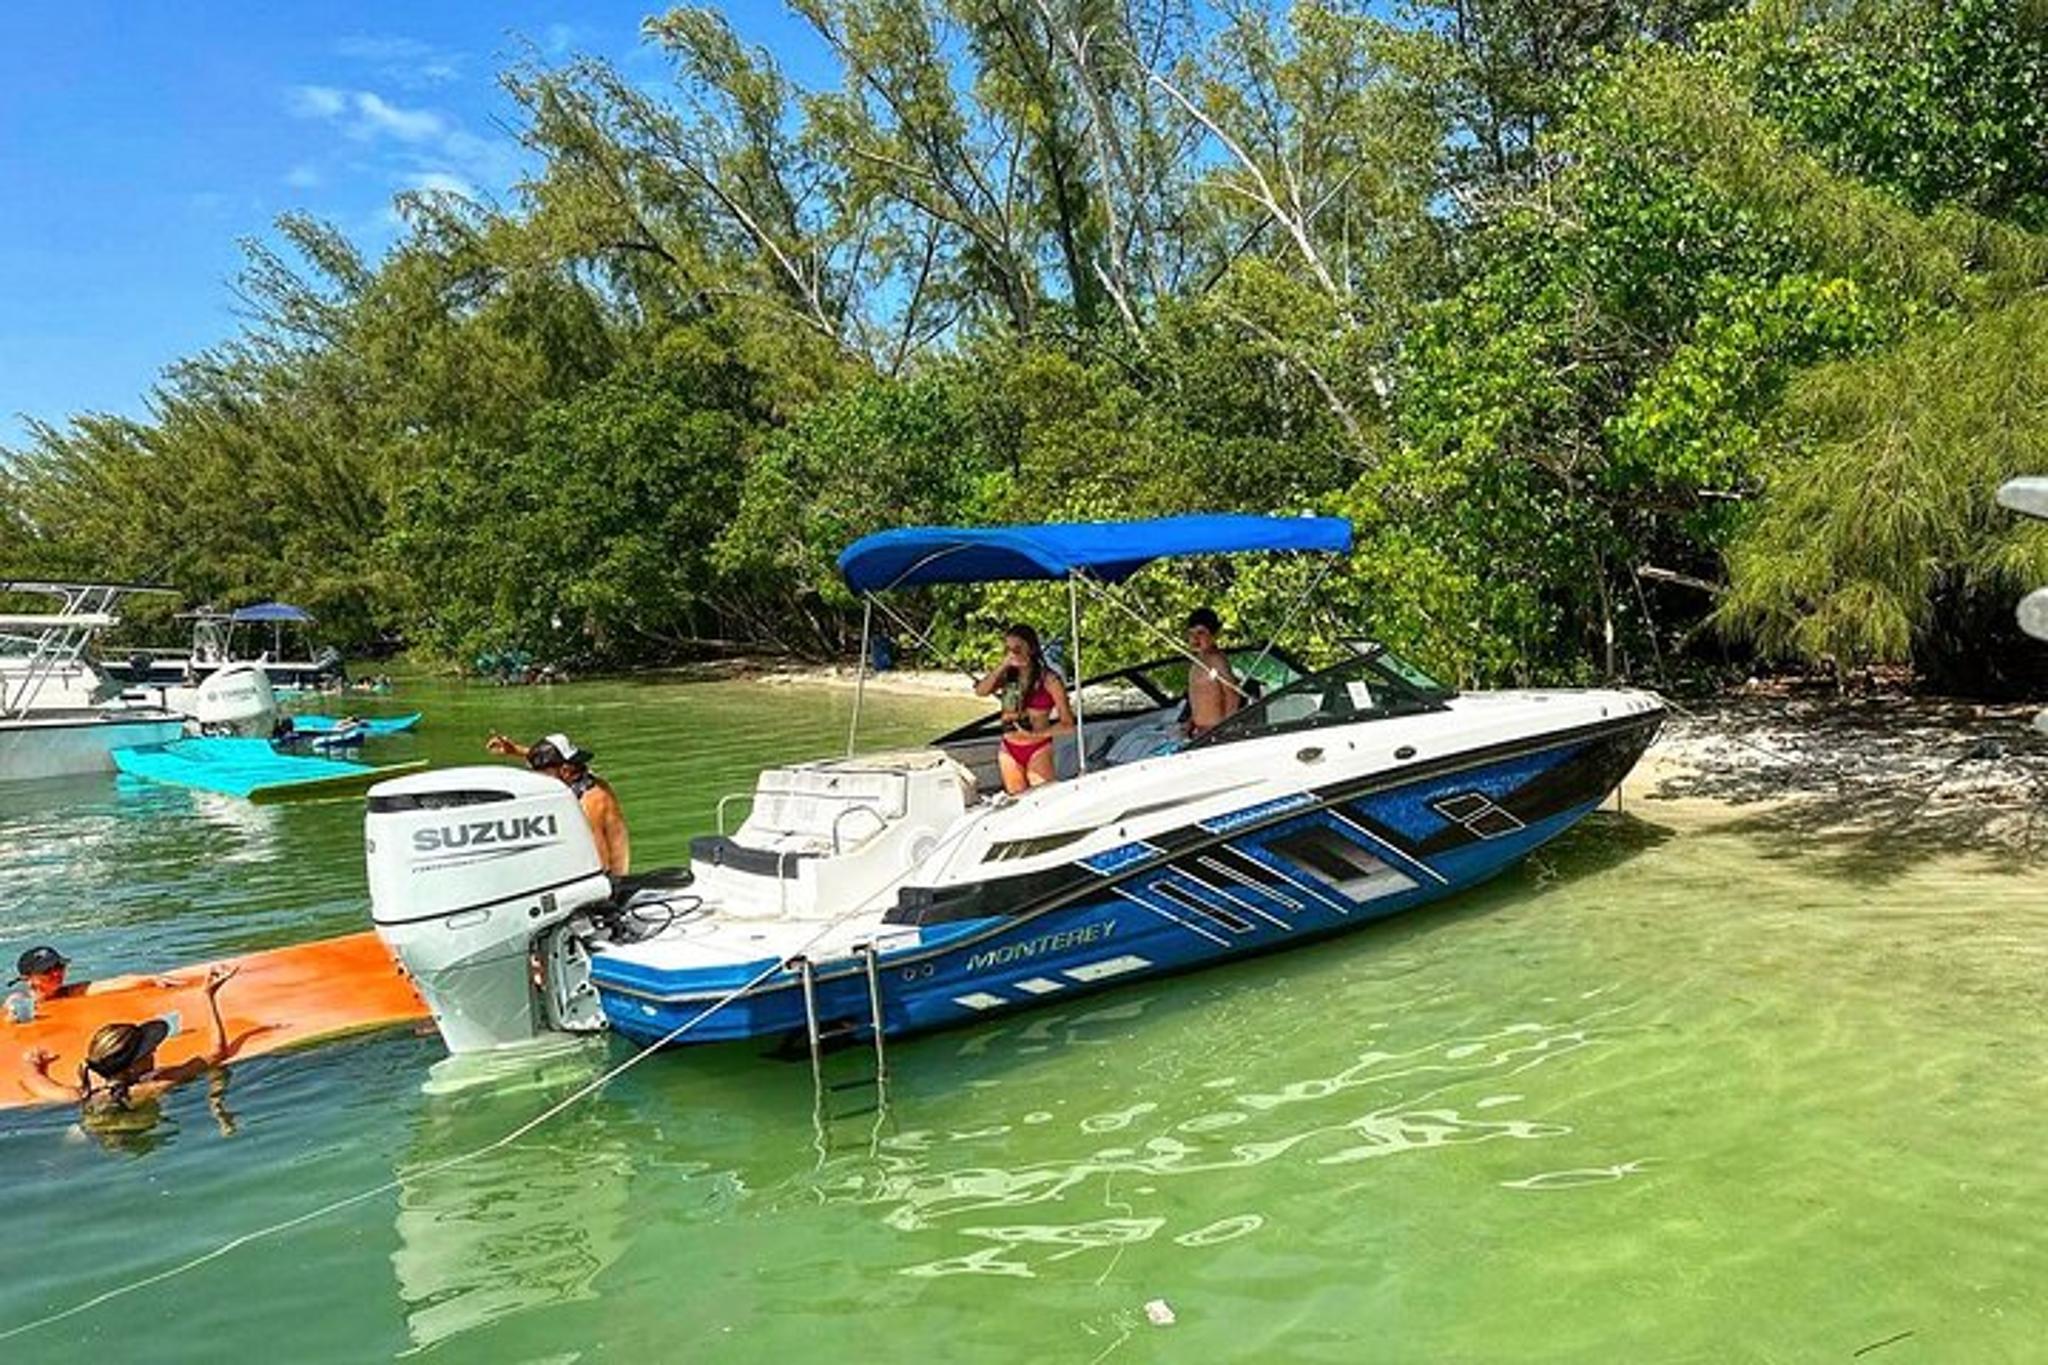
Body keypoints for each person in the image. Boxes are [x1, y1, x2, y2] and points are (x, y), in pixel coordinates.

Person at [19, 964, 242, 1114]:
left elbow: (34, 1082)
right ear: (135, 1065)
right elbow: (216, 1052)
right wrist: (208, 998)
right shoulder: (157, 1085)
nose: (154, 1051)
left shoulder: (81, 1095)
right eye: (149, 1049)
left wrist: (32, 1063)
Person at [484, 730, 632, 878]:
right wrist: (516, 750)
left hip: (611, 883)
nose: (537, 780)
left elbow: (601, 864)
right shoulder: (582, 776)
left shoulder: (589, 804)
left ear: (566, 771)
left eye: (541, 775)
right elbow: (551, 763)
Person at [974, 624, 1073, 795]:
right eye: (1009, 649)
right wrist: (1003, 664)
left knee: (1043, 799)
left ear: (1031, 648)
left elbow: (1068, 725)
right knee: (1017, 801)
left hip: (1037, 747)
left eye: (1018, 648)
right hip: (1009, 748)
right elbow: (981, 691)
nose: (1014, 654)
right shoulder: (1007, 676)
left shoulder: (1050, 680)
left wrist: (1035, 734)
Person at [7, 946, 187, 1013]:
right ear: (28, 979)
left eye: (59, 967)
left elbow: (114, 983)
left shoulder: (71, 992)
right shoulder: (22, 1001)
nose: (57, 974)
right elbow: (13, 1007)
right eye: (47, 971)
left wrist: (151, 979)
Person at [1184, 607, 1243, 738]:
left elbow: (1232, 695)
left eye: (1201, 633)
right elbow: (1198, 698)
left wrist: (1226, 728)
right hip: (1200, 731)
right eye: (1191, 634)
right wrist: (1191, 721)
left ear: (1214, 635)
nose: (1195, 638)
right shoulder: (1197, 661)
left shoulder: (1216, 660)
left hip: (1216, 730)